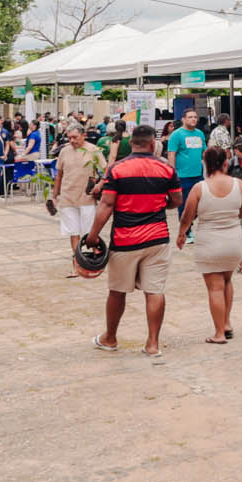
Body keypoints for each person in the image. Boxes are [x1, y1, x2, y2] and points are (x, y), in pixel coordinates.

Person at [84, 124, 180, 357]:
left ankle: (110, 338)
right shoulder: (166, 168)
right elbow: (176, 199)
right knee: (155, 290)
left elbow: (106, 204)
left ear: (132, 143)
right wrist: (158, 205)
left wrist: (93, 234)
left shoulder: (117, 169)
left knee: (117, 291)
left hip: (125, 239)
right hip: (157, 238)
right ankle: (153, 344)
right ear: (151, 144)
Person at [180, 144, 242, 343]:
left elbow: (187, 216)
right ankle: (226, 323)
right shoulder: (239, 184)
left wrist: (181, 234)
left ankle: (219, 333)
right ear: (226, 163)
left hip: (208, 241)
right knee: (227, 281)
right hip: (233, 241)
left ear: (205, 164)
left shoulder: (199, 188)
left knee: (214, 287)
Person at [54, 125, 101, 275]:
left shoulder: (93, 150)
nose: (72, 140)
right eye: (69, 137)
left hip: (87, 197)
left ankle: (97, 262)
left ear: (84, 135)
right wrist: (55, 195)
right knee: (73, 231)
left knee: (90, 232)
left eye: (75, 137)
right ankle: (77, 264)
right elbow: (59, 174)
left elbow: (106, 172)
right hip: (68, 197)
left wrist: (99, 185)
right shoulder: (64, 151)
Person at [168, 109, 209, 221]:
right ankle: (186, 231)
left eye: (195, 117)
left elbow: (205, 152)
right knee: (184, 205)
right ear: (183, 119)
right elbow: (171, 154)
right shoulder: (176, 135)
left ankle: (190, 224)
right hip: (182, 176)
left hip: (198, 175)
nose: (193, 119)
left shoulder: (199, 133)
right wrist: (173, 173)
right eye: (190, 117)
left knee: (199, 204)